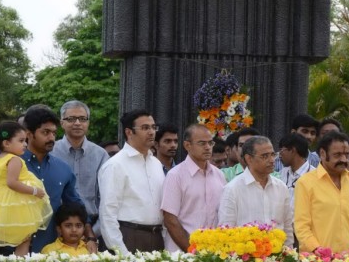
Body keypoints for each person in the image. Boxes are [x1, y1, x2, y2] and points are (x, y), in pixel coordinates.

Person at [22, 107, 95, 253]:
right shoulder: (12, 165)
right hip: (14, 249)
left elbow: (76, 206)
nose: (51, 138)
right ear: (29, 134)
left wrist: (90, 237)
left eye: (54, 133)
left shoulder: (63, 169)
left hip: (51, 250)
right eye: (45, 132)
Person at [0, 122, 53, 256]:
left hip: (0, 204)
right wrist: (35, 191)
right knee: (25, 238)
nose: (25, 144)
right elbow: (12, 183)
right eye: (21, 141)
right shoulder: (14, 160)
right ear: (6, 143)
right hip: (15, 204)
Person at [99, 109, 164, 254]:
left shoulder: (156, 164)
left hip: (157, 238)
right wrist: (121, 253)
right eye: (145, 128)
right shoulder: (115, 165)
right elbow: (107, 213)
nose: (152, 132)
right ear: (129, 132)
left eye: (154, 127)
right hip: (129, 237)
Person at [294, 131, 349, 253]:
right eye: (337, 155)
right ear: (323, 154)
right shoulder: (305, 183)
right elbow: (301, 226)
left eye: (347, 154)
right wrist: (319, 251)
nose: (344, 159)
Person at [161, 124, 227, 252]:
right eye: (202, 143)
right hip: (182, 254)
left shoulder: (219, 175)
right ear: (187, 145)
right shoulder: (175, 175)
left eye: (210, 143)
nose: (208, 147)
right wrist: (191, 250)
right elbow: (170, 220)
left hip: (214, 253)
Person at [219, 136, 293, 247]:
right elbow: (225, 230)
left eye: (273, 154)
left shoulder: (281, 187)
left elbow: (287, 228)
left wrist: (289, 256)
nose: (272, 160)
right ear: (249, 159)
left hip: (278, 258)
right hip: (245, 259)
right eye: (265, 156)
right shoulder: (233, 189)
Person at [52, 100, 109, 243]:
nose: (77, 123)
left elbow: (107, 198)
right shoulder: (50, 152)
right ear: (62, 123)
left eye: (82, 119)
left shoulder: (101, 155)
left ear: (88, 122)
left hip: (94, 230)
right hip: (54, 229)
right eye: (71, 119)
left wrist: (93, 233)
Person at [278, 133, 315, 206]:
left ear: (292, 150)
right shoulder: (282, 173)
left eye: (281, 150)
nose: (279, 155)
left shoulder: (315, 176)